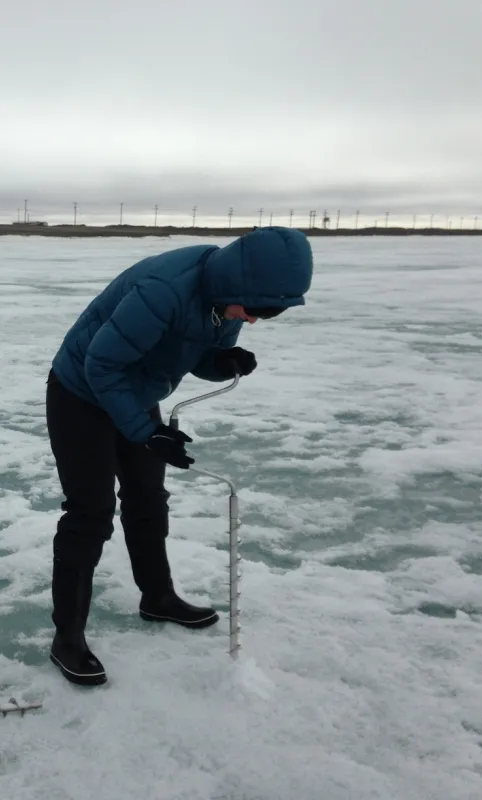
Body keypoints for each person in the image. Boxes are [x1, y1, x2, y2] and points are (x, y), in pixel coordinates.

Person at [45, 226, 313, 686]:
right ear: (237, 288)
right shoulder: (164, 289)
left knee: (148, 500)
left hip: (135, 389)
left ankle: (158, 597)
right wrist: (146, 432)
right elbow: (102, 364)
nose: (249, 321)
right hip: (82, 394)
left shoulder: (226, 295)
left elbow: (192, 348)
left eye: (262, 318)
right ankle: (67, 637)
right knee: (90, 513)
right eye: (250, 312)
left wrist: (221, 362)